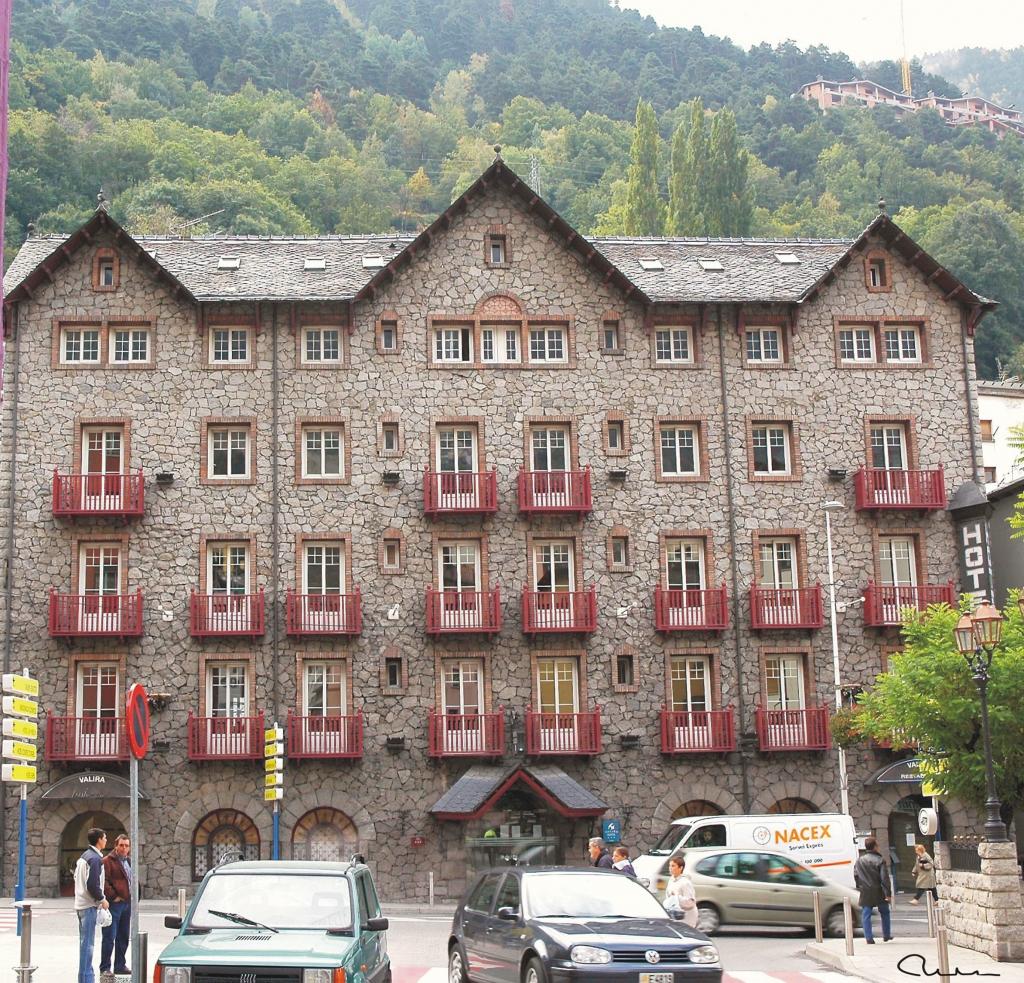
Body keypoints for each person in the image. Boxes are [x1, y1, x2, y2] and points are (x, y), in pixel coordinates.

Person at [75, 828, 110, 983]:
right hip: (88, 905)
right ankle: (86, 979)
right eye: (105, 837)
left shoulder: (84, 856)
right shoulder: (95, 859)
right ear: (99, 840)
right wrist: (102, 899)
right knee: (88, 946)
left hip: (81, 904)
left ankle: (85, 977)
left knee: (84, 943)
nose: (106, 840)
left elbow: (78, 878)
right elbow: (92, 885)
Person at [100, 834, 133, 979]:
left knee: (123, 936)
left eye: (126, 845)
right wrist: (114, 896)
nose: (124, 848)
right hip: (115, 904)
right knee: (109, 937)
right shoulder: (107, 861)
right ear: (116, 845)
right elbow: (104, 882)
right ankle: (105, 967)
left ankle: (120, 964)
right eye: (121, 845)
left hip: (127, 904)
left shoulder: (129, 861)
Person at [854, 835, 892, 944]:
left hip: (865, 890)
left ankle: (869, 938)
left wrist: (859, 886)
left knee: (866, 914)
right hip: (878, 890)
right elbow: (884, 878)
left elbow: (856, 875)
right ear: (875, 847)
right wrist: (888, 894)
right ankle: (886, 934)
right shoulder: (880, 860)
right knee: (885, 912)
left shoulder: (859, 860)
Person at [664, 854, 699, 928]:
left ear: (680, 868)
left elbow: (691, 902)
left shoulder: (685, 882)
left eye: (673, 866)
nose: (670, 868)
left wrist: (677, 897)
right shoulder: (671, 880)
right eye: (670, 866)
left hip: (687, 917)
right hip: (676, 916)